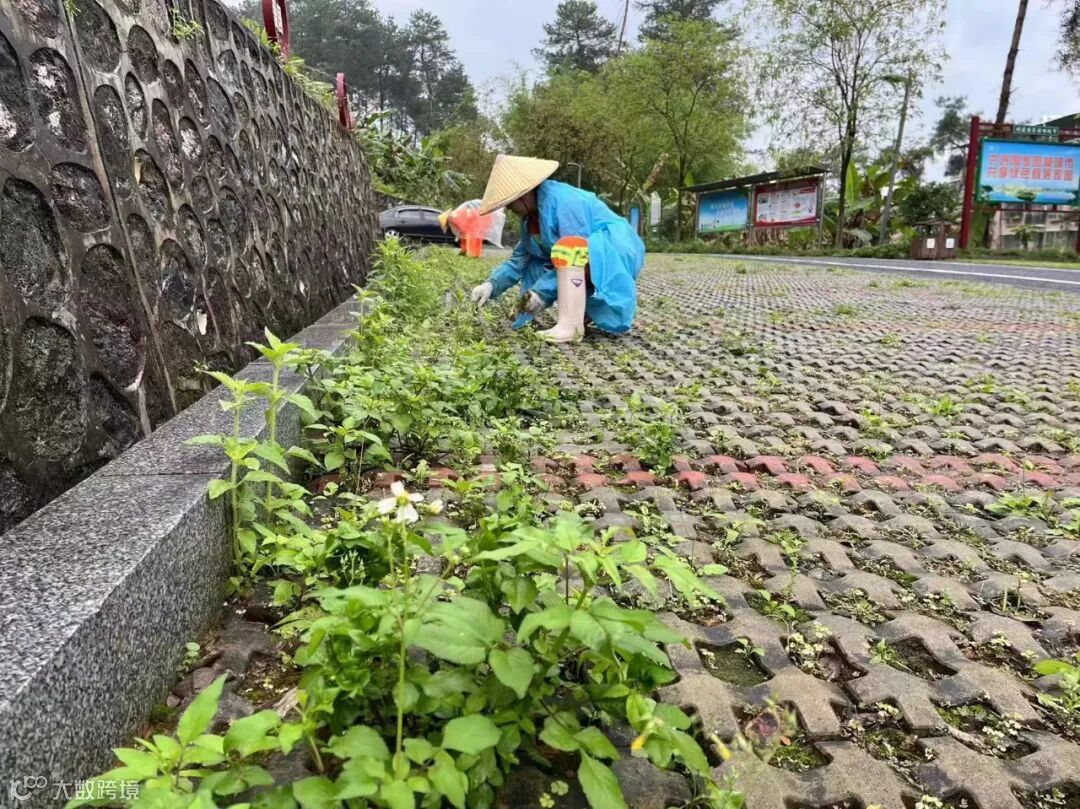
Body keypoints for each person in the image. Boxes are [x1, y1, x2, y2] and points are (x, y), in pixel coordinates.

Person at [470, 155, 645, 343]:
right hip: (588, 255)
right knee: (537, 260)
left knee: (568, 249)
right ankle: (564, 317)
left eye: (510, 203)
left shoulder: (564, 201)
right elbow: (520, 260)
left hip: (613, 246)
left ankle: (571, 327)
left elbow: (576, 251)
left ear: (523, 195)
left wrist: (541, 293)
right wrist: (491, 285)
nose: (509, 209)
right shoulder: (531, 219)